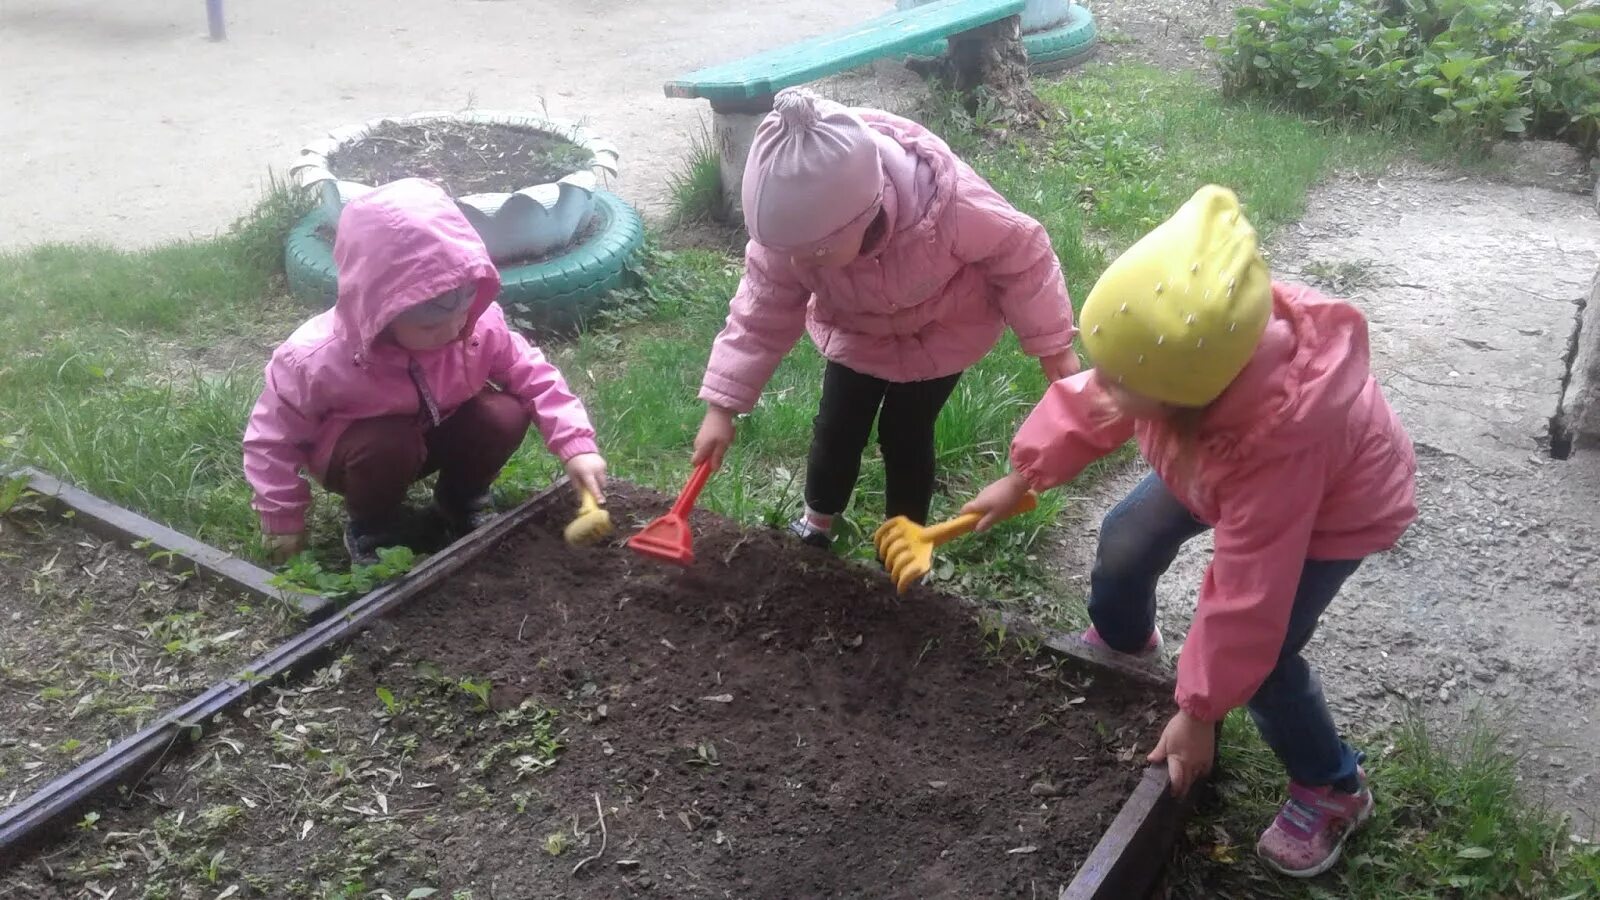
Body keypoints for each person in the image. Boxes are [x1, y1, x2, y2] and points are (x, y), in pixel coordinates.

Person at [962, 185, 1416, 877]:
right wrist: (1023, 476)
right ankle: (1124, 648)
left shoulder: (1278, 447)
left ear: (1182, 398)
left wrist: (1201, 708)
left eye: (1119, 381)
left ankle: (1332, 786)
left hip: (1329, 509)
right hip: (1209, 458)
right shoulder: (1175, 358)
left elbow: (1246, 595)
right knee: (1126, 538)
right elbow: (1097, 402)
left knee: (1265, 660)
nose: (1101, 386)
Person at [691, 87, 1078, 549]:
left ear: (863, 216)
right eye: (787, 255)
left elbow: (1024, 257)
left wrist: (1052, 343)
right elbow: (759, 313)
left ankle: (906, 535)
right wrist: (722, 406)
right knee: (836, 425)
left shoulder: (950, 207)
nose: (799, 268)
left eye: (812, 256)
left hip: (941, 336)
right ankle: (818, 520)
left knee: (906, 434)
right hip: (856, 334)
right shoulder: (792, 242)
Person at [243, 178, 607, 565]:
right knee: (387, 442)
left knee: (505, 413)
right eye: (430, 327)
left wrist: (576, 446)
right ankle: (375, 527)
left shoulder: (478, 327)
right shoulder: (314, 360)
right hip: (364, 455)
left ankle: (460, 500)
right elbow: (271, 439)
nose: (454, 330)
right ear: (381, 314)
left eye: (462, 313)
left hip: (435, 433)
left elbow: (535, 376)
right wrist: (281, 518)